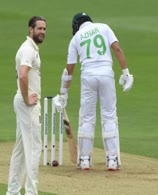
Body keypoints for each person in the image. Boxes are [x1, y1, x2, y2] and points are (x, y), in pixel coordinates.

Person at [56, 12, 134, 171]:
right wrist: (126, 73)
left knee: (87, 117)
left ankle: (84, 160)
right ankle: (112, 160)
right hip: (106, 75)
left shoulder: (76, 38)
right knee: (109, 115)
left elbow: (69, 69)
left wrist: (63, 93)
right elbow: (117, 49)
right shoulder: (104, 27)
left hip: (88, 77)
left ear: (76, 25)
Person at [4, 16, 51, 195]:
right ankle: (31, 194)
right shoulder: (27, 49)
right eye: (39, 28)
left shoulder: (31, 48)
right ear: (30, 29)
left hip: (24, 102)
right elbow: (23, 74)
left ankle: (12, 192)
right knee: (33, 147)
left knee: (21, 148)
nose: (42, 32)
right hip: (27, 104)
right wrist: (26, 98)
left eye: (44, 29)